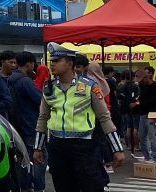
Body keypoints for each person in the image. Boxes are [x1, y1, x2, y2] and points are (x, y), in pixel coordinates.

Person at [33, 44, 124, 192]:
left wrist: (117, 149)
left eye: (57, 61)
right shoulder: (48, 87)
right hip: (57, 146)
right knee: (63, 187)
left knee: (91, 186)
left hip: (83, 147)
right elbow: (43, 118)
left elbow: (104, 117)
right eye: (52, 61)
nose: (52, 64)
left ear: (70, 63)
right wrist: (37, 148)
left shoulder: (89, 86)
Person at [10, 52, 44, 192]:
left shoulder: (11, 79)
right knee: (38, 158)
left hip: (17, 124)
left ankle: (24, 186)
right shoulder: (25, 81)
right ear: (29, 63)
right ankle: (38, 187)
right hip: (30, 124)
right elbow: (40, 100)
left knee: (22, 159)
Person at [133, 66, 156, 163]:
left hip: (152, 114)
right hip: (143, 113)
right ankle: (147, 156)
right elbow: (141, 98)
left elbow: (154, 101)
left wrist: (139, 104)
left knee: (152, 136)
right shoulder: (142, 86)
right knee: (142, 136)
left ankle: (154, 157)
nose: (141, 78)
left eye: (144, 76)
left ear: (150, 75)